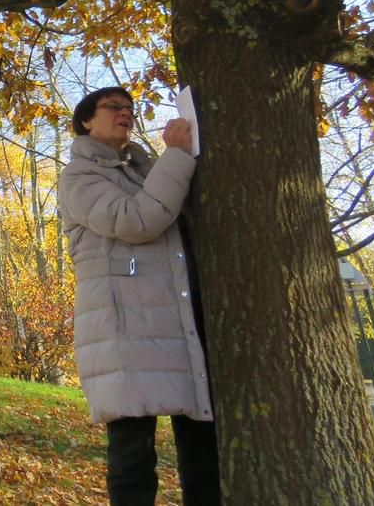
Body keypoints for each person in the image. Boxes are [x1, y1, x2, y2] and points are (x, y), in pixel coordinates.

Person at [57, 87, 220, 506]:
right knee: (133, 454)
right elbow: (137, 220)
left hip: (179, 322)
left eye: (130, 108)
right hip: (123, 330)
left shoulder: (143, 169)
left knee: (204, 450)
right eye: (114, 107)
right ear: (86, 122)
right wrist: (178, 157)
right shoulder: (78, 176)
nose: (125, 113)